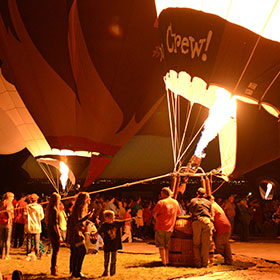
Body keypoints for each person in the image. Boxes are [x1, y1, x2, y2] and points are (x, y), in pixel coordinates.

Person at [98, 210, 136, 277]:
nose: (113, 218)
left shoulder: (116, 223)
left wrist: (133, 218)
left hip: (115, 244)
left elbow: (125, 221)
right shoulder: (104, 225)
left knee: (114, 259)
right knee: (106, 259)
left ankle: (112, 272)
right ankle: (105, 271)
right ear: (106, 218)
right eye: (111, 217)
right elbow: (99, 232)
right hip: (107, 244)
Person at [66, 192, 93, 278]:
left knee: (76, 252)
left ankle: (75, 271)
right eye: (88, 198)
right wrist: (87, 217)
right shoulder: (79, 208)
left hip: (78, 232)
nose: (90, 200)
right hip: (76, 234)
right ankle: (77, 271)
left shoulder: (82, 208)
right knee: (82, 251)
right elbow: (77, 220)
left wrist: (88, 221)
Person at [153, 187, 181, 266]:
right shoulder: (175, 202)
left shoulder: (160, 202)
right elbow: (178, 213)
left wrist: (156, 220)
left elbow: (154, 214)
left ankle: (163, 262)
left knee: (161, 246)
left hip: (160, 226)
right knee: (167, 246)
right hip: (170, 227)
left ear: (163, 193)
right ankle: (167, 261)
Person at [188, 187, 213, 268]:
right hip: (206, 221)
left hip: (196, 221)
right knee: (205, 244)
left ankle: (197, 263)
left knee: (196, 244)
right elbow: (211, 213)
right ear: (205, 194)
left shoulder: (193, 200)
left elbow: (190, 211)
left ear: (197, 193)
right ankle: (205, 263)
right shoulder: (208, 202)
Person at [210, 196, 233, 265]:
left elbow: (212, 217)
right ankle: (229, 260)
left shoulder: (212, 206)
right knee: (226, 244)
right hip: (226, 225)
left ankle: (227, 258)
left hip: (221, 227)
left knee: (219, 245)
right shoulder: (216, 205)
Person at [46, 192, 62, 276]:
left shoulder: (49, 209)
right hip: (54, 231)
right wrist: (59, 235)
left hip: (50, 230)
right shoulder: (54, 210)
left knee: (55, 251)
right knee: (56, 251)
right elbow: (55, 224)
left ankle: (53, 267)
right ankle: (54, 269)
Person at [25, 193, 44, 259]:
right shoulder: (39, 207)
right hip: (37, 225)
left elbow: (25, 215)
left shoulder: (27, 207)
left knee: (29, 241)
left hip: (29, 225)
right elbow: (42, 216)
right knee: (37, 241)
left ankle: (28, 252)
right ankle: (37, 253)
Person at [0, 192, 14, 259]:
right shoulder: (9, 203)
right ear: (9, 197)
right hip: (7, 223)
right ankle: (7, 255)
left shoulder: (2, 203)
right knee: (7, 240)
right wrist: (9, 218)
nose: (13, 199)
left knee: (1, 240)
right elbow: (8, 210)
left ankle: (1, 255)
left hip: (1, 222)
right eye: (12, 197)